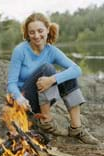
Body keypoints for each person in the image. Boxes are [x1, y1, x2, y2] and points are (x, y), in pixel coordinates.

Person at [7, 12, 99, 145]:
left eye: (40, 31)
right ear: (27, 34)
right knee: (47, 68)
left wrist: (52, 79)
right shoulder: (20, 50)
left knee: (68, 75)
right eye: (32, 32)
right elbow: (11, 84)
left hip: (42, 99)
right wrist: (20, 98)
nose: (36, 36)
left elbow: (77, 69)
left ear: (47, 30)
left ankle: (76, 129)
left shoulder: (52, 51)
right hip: (23, 102)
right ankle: (46, 121)